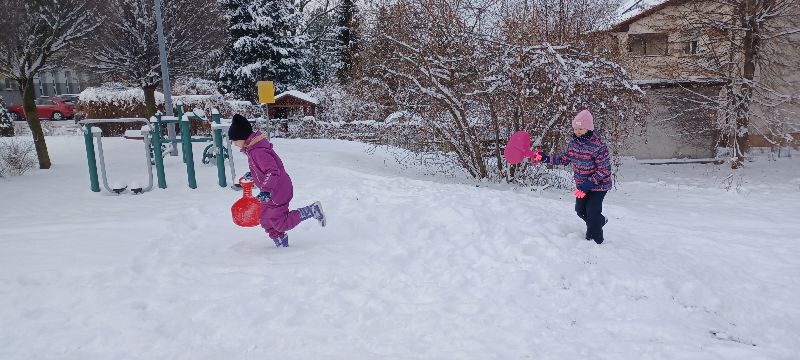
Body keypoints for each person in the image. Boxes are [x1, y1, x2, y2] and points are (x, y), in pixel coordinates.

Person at [228, 114, 326, 247]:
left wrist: (266, 191)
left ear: (243, 137)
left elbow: (272, 171)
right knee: (265, 220)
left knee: (280, 223)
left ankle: (312, 210)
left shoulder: (258, 152)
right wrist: (253, 174)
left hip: (278, 191)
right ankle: (281, 244)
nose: (234, 144)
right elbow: (262, 168)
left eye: (235, 140)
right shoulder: (253, 150)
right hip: (268, 192)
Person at [534, 110, 611, 244]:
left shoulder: (598, 147)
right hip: (581, 186)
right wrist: (545, 158)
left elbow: (604, 170)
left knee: (592, 213)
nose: (577, 131)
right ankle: (600, 221)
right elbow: (563, 160)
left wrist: (588, 184)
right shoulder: (573, 145)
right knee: (580, 211)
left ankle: (595, 241)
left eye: (580, 128)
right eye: (575, 128)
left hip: (598, 186)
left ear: (588, 128)